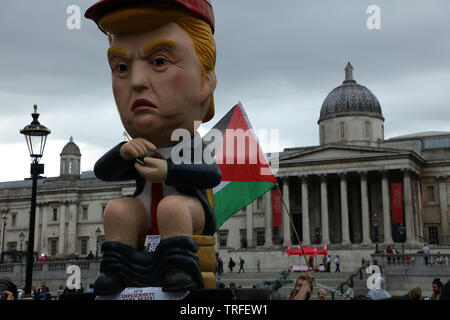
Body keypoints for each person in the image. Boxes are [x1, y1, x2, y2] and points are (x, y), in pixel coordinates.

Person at [85, 0, 220, 295]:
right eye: (121, 67)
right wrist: (122, 153)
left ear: (206, 81)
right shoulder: (135, 146)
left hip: (188, 210)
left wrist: (169, 171)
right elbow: (103, 172)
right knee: (118, 210)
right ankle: (116, 273)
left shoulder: (190, 141)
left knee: (173, 207)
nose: (136, 82)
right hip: (145, 210)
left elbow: (211, 175)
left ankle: (180, 268)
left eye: (160, 61)